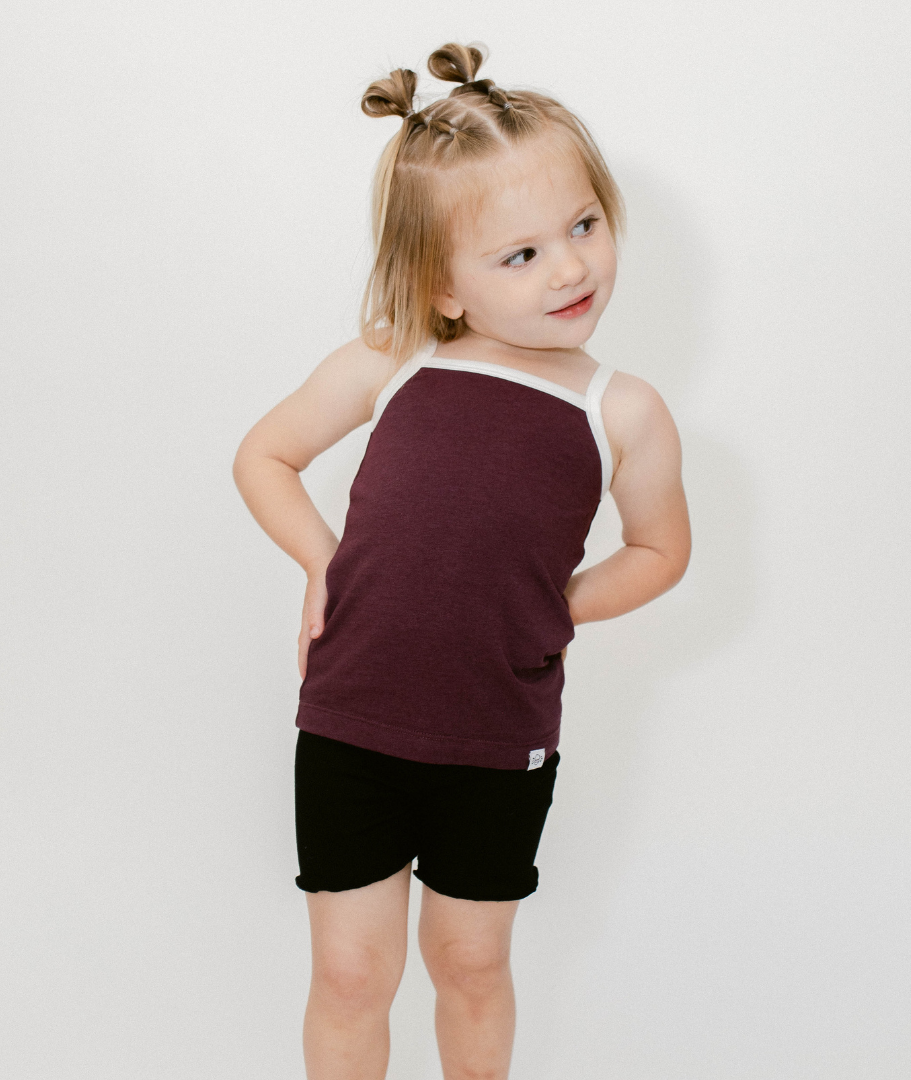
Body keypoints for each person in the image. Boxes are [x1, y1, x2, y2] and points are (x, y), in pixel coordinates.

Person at [233, 41, 691, 1080]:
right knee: (351, 974)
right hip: (351, 722)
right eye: (520, 254)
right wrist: (321, 562)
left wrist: (554, 607)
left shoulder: (619, 409)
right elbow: (264, 455)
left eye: (584, 226)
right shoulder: (393, 363)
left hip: (497, 737)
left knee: (471, 966)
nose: (570, 268)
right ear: (441, 284)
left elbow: (661, 549)